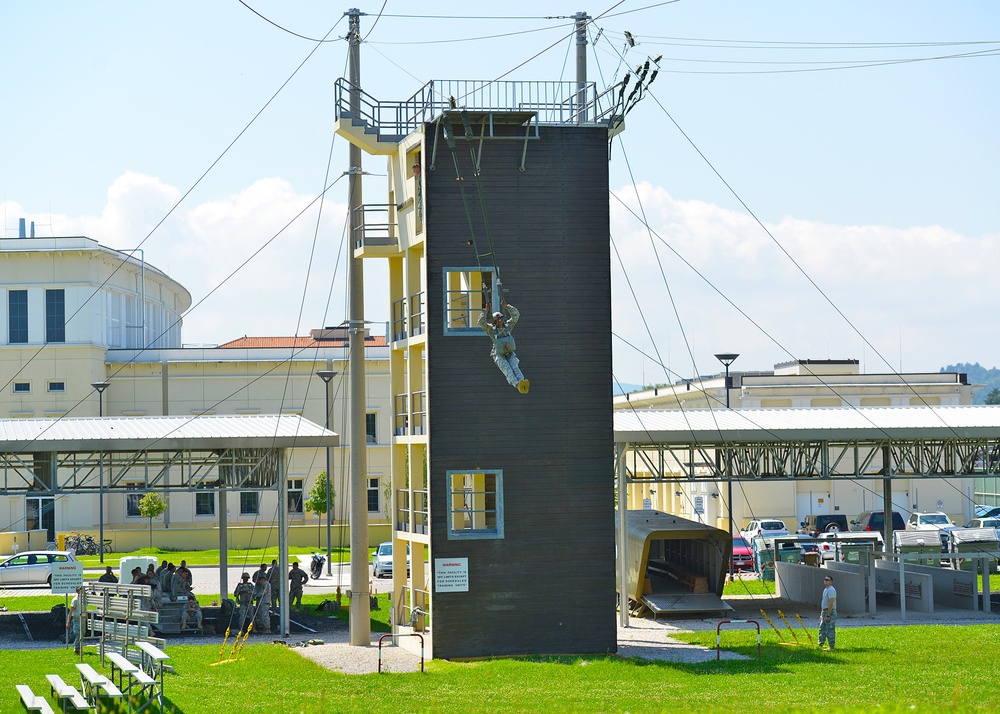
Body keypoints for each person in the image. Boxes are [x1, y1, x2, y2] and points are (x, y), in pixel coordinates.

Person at [478, 282, 529, 394]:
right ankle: (517, 384)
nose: (500, 319)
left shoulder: (508, 327)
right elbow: (481, 322)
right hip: (499, 355)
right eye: (498, 318)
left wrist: (507, 307)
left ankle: (522, 382)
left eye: (501, 317)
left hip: (509, 352)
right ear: (495, 321)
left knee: (515, 367)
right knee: (508, 369)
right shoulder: (492, 330)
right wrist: (485, 310)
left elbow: (516, 315)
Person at [818, 574, 837, 650]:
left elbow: (831, 603)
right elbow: (824, 603)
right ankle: (820, 644)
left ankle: (831, 646)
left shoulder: (831, 590)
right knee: (822, 628)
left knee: (830, 629)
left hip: (830, 612)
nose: (825, 581)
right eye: (825, 579)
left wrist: (828, 615)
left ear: (831, 582)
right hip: (825, 611)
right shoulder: (825, 590)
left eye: (827, 580)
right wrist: (822, 614)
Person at [67, 586, 83, 654]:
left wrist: (87, 619)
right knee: (78, 633)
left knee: (82, 634)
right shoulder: (75, 600)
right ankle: (76, 649)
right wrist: (68, 621)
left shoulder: (84, 600)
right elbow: (70, 612)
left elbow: (86, 610)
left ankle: (79, 649)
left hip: (83, 618)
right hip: (77, 618)